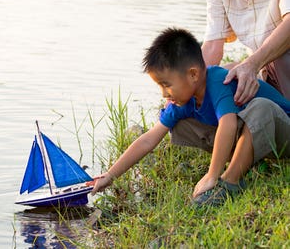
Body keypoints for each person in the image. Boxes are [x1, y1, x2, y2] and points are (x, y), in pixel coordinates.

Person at [91, 28, 290, 207]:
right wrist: (110, 175)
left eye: (166, 84)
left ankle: (230, 181)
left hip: (283, 131)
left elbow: (228, 124)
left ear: (193, 74)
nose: (163, 93)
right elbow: (148, 139)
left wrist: (212, 175)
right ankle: (247, 161)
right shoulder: (182, 101)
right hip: (258, 139)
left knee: (260, 107)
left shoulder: (218, 80)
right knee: (179, 125)